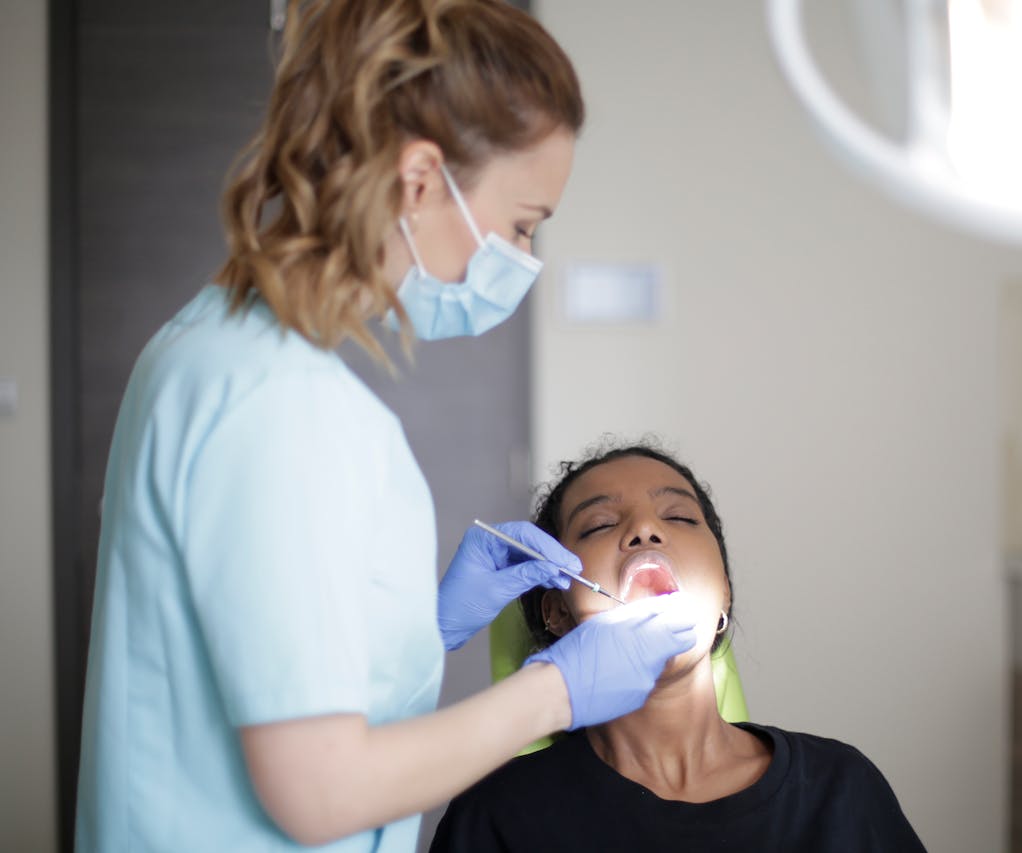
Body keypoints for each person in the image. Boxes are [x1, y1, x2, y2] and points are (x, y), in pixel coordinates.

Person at [74, 3, 698, 851]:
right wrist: (555, 692)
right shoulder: (281, 404)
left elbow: (262, 638)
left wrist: (426, 625)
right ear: (419, 179)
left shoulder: (213, 345)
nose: (522, 259)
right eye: (520, 225)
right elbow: (317, 789)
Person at [429, 442, 927, 852]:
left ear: (724, 591)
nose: (645, 531)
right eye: (600, 524)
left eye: (681, 518)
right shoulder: (497, 817)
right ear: (557, 612)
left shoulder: (841, 789)